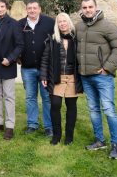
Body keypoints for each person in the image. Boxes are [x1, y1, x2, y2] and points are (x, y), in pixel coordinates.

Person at [76, 0, 117, 160]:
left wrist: (108, 68)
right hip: (86, 76)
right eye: (85, 7)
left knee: (109, 110)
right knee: (93, 110)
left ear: (96, 8)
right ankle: (99, 140)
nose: (88, 10)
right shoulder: (79, 26)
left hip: (102, 76)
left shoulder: (107, 26)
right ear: (81, 9)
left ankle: (116, 145)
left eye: (90, 7)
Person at [40, 12, 82, 145]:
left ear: (69, 22)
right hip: (56, 77)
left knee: (71, 106)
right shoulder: (52, 40)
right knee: (55, 105)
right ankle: (56, 135)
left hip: (72, 77)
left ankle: (69, 136)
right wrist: (44, 75)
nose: (62, 23)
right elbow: (45, 59)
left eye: (64, 21)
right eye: (60, 22)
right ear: (57, 25)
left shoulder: (76, 39)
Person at [0, 0, 24, 140]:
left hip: (7, 65)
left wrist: (10, 58)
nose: (0, 9)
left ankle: (9, 126)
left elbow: (20, 45)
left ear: (6, 7)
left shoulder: (14, 24)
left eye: (2, 6)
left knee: (9, 96)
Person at [18, 0, 54, 137]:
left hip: (45, 68)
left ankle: (49, 126)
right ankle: (32, 124)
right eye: (29, 8)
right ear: (26, 9)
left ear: (39, 9)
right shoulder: (20, 24)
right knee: (30, 97)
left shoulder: (50, 23)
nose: (32, 10)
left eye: (35, 8)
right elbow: (16, 43)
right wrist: (17, 57)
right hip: (27, 68)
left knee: (47, 98)